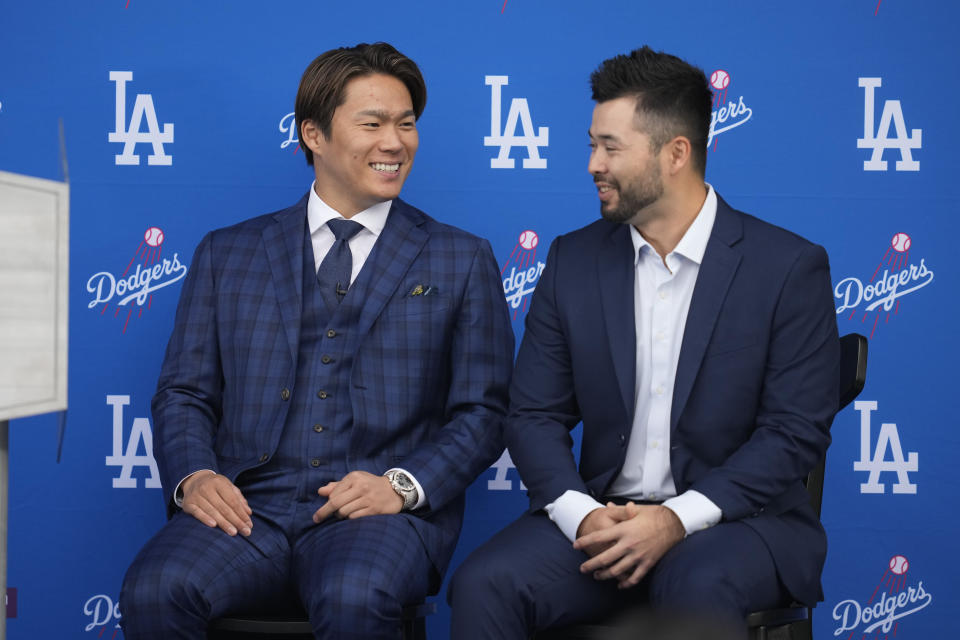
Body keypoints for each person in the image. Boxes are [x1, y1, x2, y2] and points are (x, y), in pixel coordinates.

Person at [119, 42, 513, 640]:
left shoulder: (461, 257)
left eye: (406, 124)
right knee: (155, 588)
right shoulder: (228, 253)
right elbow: (183, 392)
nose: (395, 142)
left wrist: (402, 486)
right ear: (313, 134)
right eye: (373, 123)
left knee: (354, 596)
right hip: (249, 511)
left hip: (374, 513)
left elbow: (484, 411)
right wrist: (194, 477)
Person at [449, 45, 840, 638]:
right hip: (606, 518)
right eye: (592, 144)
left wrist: (676, 521)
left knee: (694, 582)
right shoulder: (572, 259)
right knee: (485, 583)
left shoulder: (787, 268)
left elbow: (794, 433)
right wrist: (582, 516)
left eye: (611, 147)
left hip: (740, 524)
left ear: (675, 153)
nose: (592, 164)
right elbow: (532, 414)